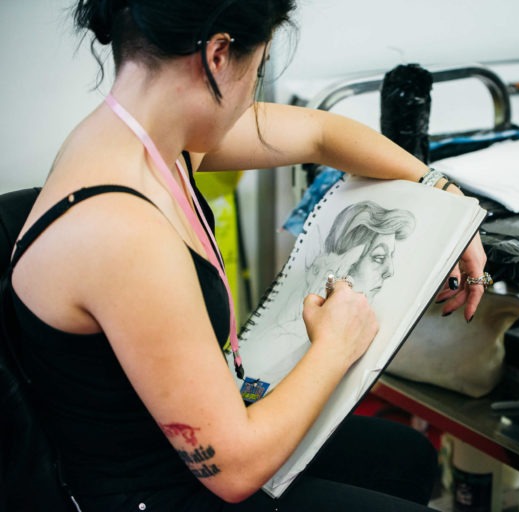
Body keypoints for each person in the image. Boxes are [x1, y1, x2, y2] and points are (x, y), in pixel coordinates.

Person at [9, 1, 488, 510]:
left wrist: (442, 193)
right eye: (256, 72)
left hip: (191, 444)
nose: (249, 101)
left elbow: (319, 133)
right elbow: (233, 470)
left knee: (403, 457)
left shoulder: (148, 141)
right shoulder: (121, 230)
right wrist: (337, 343)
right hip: (164, 492)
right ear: (217, 55)